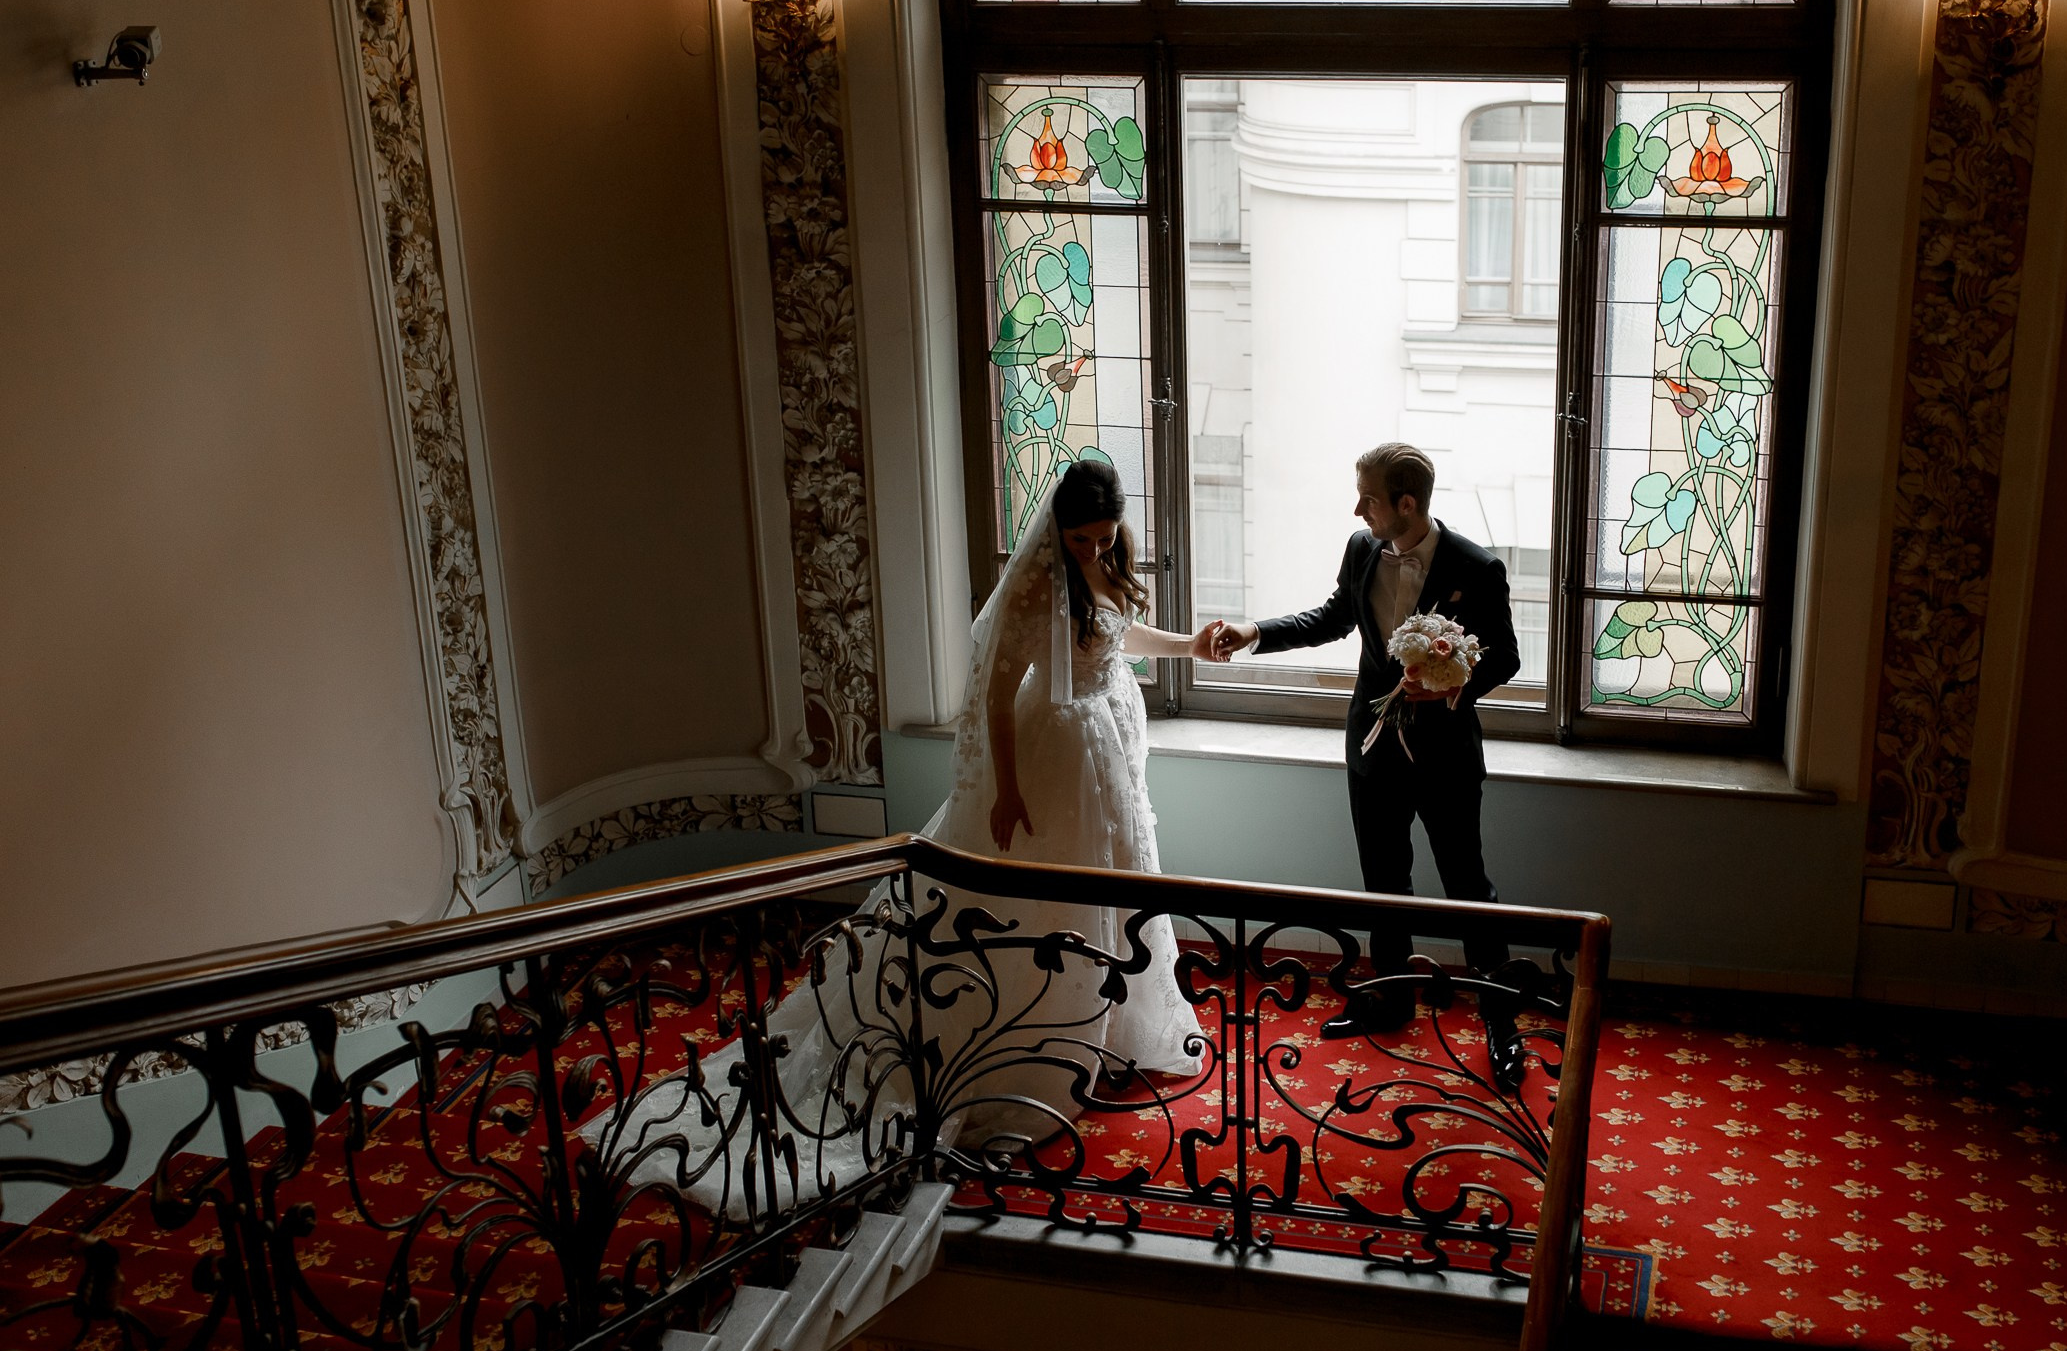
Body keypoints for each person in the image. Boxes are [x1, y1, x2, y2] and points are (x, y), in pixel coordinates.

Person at [591, 461, 1227, 1211]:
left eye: (1101, 535)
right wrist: (1010, 785)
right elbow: (996, 689)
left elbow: (1118, 634)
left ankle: (1110, 1020)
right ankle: (1033, 1045)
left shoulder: (1109, 564)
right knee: (1043, 893)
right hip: (1053, 750)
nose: (1090, 548)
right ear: (1057, 530)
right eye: (1078, 537)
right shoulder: (1033, 585)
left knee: (1117, 876)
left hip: (1106, 745)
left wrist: (1191, 646)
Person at [1211, 443, 1521, 1041]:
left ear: (1406, 503)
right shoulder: (1361, 550)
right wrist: (1255, 631)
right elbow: (1331, 618)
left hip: (1446, 758)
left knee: (1469, 890)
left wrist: (1453, 684)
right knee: (1383, 882)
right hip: (1372, 751)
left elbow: (1505, 656)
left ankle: (1500, 1025)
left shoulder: (1477, 568)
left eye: (1370, 499)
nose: (1359, 510)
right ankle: (1390, 1001)